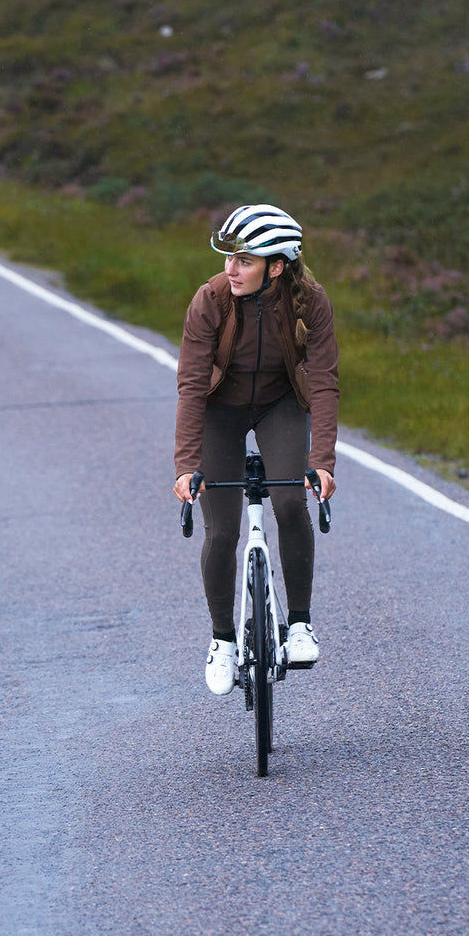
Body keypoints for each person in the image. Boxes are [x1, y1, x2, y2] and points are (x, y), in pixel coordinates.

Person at [173, 203, 339, 695]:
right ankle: (223, 639)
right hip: (218, 410)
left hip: (279, 403)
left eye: (244, 260)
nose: (231, 269)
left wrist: (321, 463)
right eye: (229, 258)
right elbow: (190, 384)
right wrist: (186, 466)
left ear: (277, 266)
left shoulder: (310, 302)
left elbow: (325, 382)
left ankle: (301, 624)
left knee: (291, 500)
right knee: (221, 530)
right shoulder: (211, 300)